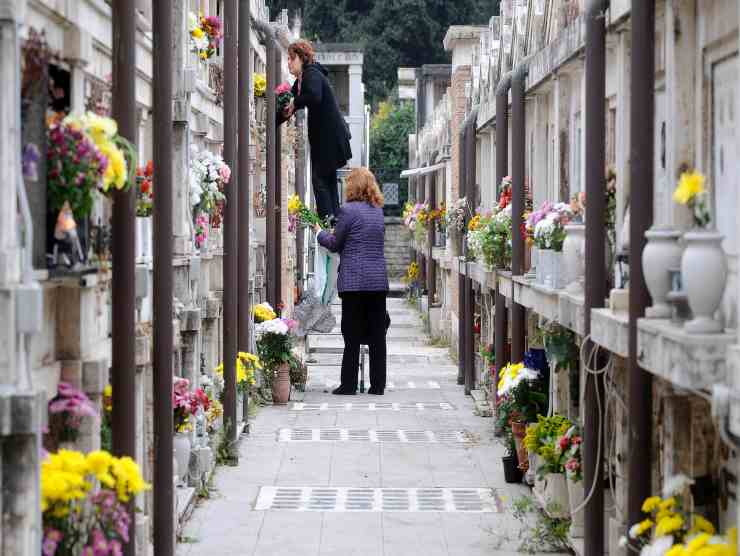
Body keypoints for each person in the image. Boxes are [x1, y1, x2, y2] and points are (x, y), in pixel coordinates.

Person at [315, 168, 389, 395]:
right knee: (377, 336)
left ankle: (348, 385)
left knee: (351, 334)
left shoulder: (347, 211)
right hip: (377, 282)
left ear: (353, 186)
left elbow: (335, 243)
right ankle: (377, 385)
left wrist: (319, 233)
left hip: (354, 283)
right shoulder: (378, 211)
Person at [281, 39, 352, 223]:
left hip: (328, 138)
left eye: (291, 58)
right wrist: (286, 108)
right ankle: (334, 220)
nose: (289, 62)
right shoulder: (303, 79)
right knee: (327, 180)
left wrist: (295, 103)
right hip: (327, 137)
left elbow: (313, 96)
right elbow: (292, 99)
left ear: (302, 58)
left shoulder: (311, 74)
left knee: (320, 180)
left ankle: (328, 221)